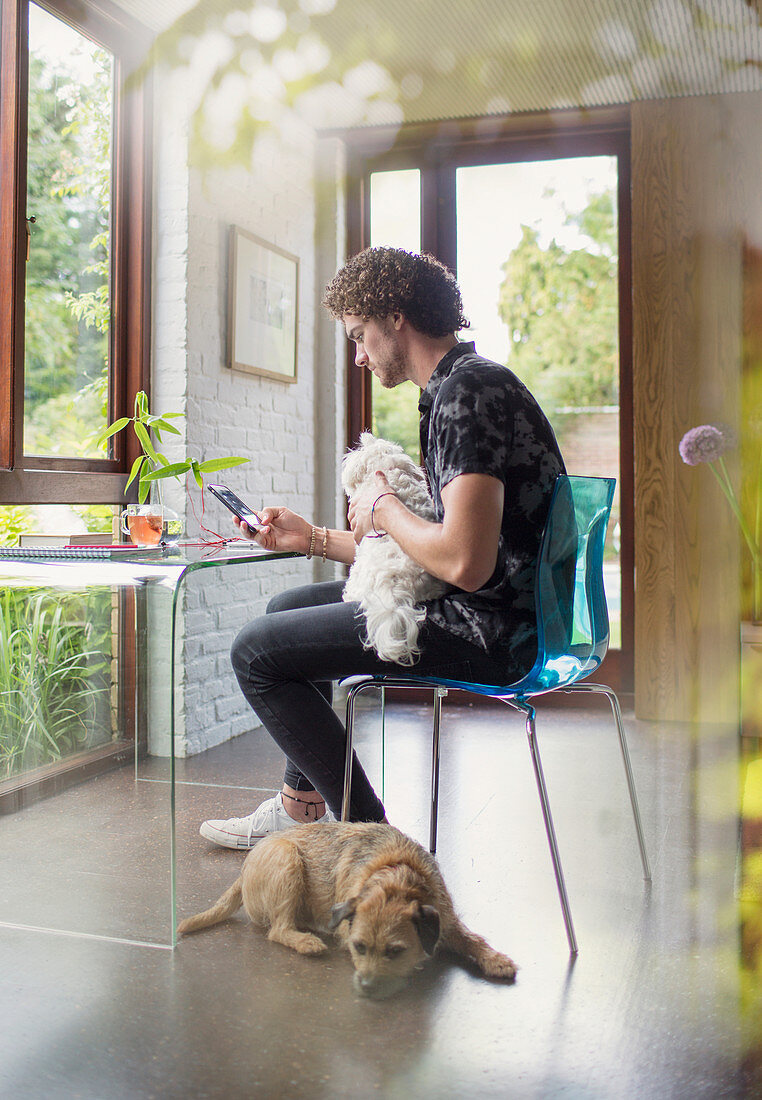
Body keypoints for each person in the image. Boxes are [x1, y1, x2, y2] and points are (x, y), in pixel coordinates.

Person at [200, 247, 566, 849]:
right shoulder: (463, 387)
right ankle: (301, 809)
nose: (359, 355)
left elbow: (464, 564)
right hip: (497, 610)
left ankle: (379, 852)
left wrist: (384, 508)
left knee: (254, 654)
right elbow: (436, 552)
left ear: (395, 316)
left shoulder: (467, 396)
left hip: (495, 630)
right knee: (285, 609)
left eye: (359, 335)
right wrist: (312, 538)